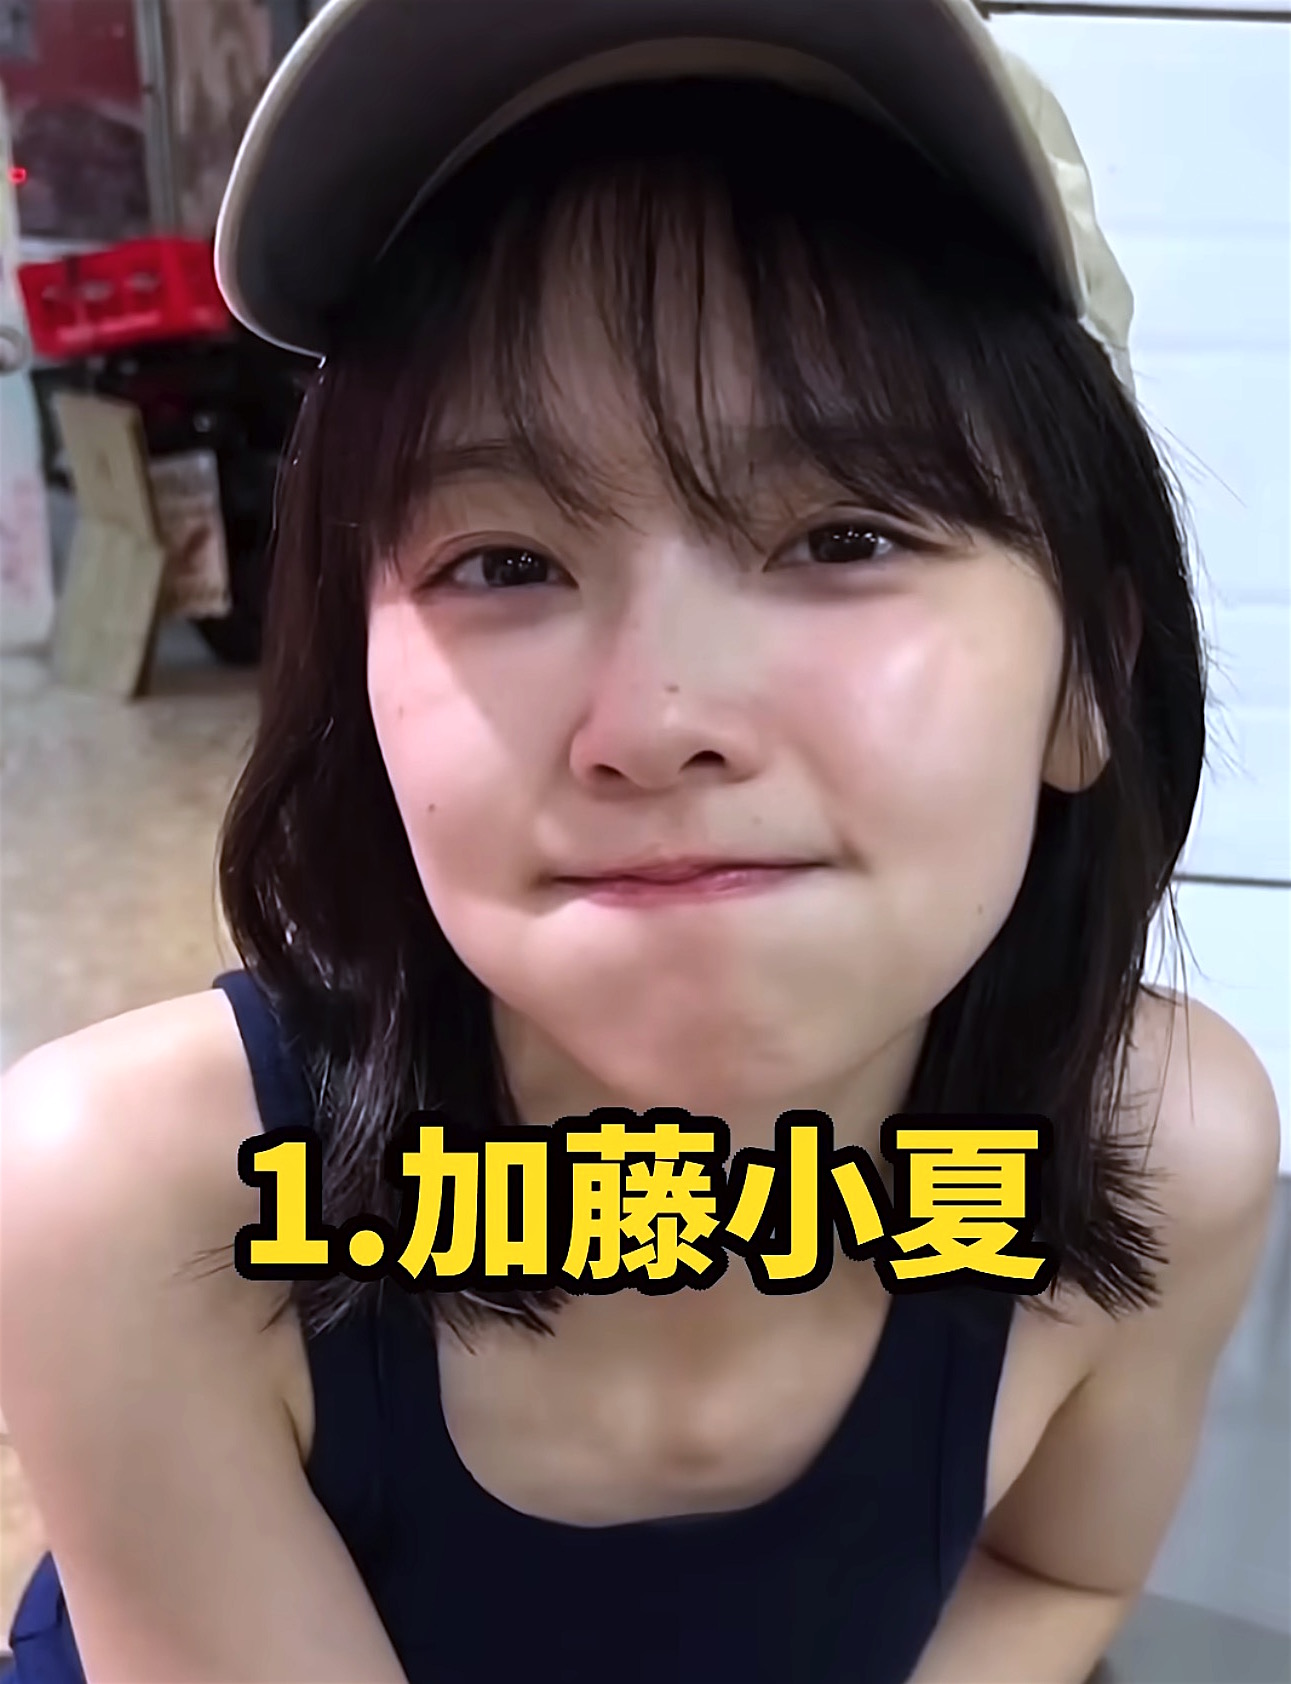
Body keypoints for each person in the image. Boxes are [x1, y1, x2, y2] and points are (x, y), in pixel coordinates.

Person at [1, 2, 1281, 1681]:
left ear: (1091, 675)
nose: (656, 718)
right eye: (503, 563)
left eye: (844, 534)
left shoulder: (1162, 1156)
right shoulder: (138, 1211)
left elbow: (1051, 1579)